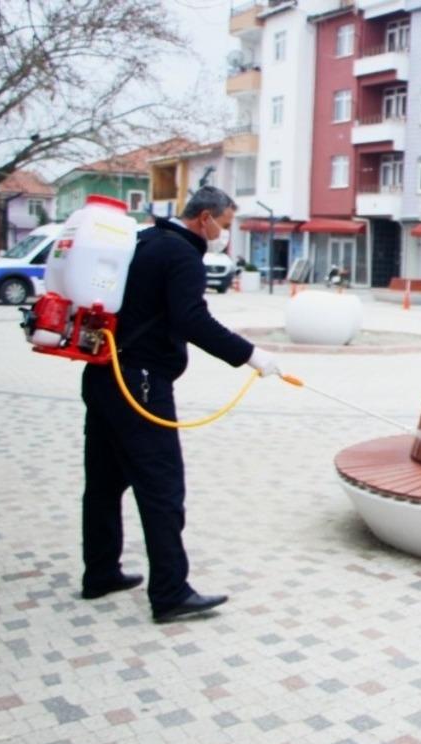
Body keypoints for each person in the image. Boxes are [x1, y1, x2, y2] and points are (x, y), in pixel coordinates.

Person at [79, 186, 282, 623]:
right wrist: (252, 356)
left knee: (104, 483)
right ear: (205, 217)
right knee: (162, 490)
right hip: (142, 384)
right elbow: (192, 319)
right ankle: (170, 592)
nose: (224, 235)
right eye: (225, 225)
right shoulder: (181, 255)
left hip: (103, 373)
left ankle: (100, 572)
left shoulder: (146, 240)